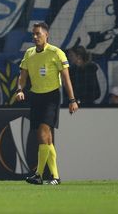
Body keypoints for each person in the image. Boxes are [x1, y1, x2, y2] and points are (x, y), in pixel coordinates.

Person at [15, 21, 78, 185]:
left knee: (43, 133)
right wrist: (19, 90)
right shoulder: (29, 53)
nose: (35, 37)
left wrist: (72, 100)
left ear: (46, 35)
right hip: (36, 97)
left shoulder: (56, 53)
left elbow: (66, 78)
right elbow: (22, 77)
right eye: (33, 34)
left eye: (38, 34)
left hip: (51, 97)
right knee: (46, 138)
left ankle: (39, 174)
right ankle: (55, 177)